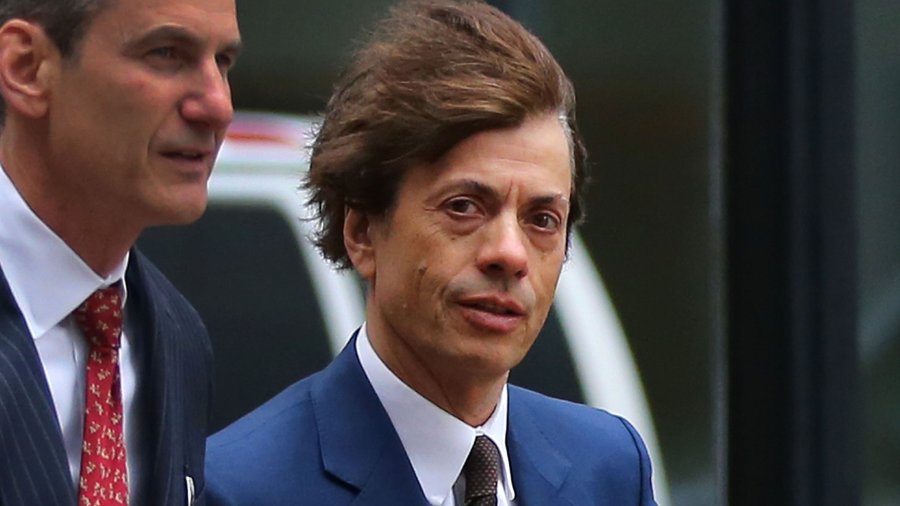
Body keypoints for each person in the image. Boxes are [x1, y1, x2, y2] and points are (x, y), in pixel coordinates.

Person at [206, 1, 655, 505]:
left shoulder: (610, 468)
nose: (509, 253)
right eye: (464, 207)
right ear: (362, 232)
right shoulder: (239, 489)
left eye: (541, 220)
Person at [0, 0, 240, 504]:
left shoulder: (177, 335)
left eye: (223, 62)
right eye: (166, 53)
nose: (218, 105)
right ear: (26, 67)